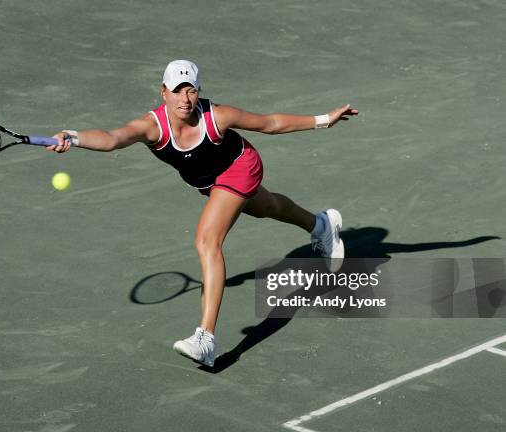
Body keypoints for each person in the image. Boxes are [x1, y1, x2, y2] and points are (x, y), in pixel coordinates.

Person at [48, 60, 358, 367]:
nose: (184, 99)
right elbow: (112, 139)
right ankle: (321, 225)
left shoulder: (217, 115)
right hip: (212, 182)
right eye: (177, 90)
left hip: (240, 167)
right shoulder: (151, 127)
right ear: (164, 92)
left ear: (198, 91)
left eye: (190, 90)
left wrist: (324, 120)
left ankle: (205, 338)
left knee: (207, 241)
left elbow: (270, 123)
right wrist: (73, 137)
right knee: (268, 208)